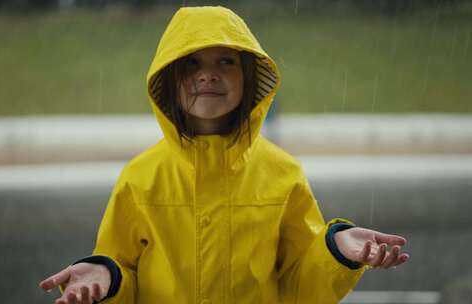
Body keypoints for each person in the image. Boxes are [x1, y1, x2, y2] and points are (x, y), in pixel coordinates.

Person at [39, 6, 409, 304]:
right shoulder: (140, 178)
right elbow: (122, 268)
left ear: (249, 77)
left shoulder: (283, 174)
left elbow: (300, 289)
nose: (208, 75)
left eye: (225, 62)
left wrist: (335, 250)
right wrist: (108, 277)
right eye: (191, 63)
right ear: (167, 80)